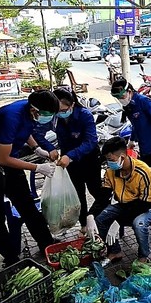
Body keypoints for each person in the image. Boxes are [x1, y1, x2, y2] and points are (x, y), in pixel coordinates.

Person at [0, 91, 59, 266]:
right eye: (47, 115)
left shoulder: (28, 112)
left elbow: (24, 131)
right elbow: (1, 159)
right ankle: (10, 256)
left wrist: (36, 148)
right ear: (35, 110)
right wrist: (37, 167)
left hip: (9, 160)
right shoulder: (10, 117)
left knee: (26, 203)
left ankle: (46, 243)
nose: (48, 118)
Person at [84, 137, 151, 263]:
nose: (109, 164)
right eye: (107, 160)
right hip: (122, 204)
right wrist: (90, 215)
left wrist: (119, 220)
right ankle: (115, 251)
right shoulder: (111, 172)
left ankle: (143, 256)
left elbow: (145, 204)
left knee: (139, 225)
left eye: (111, 160)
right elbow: (103, 196)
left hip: (144, 207)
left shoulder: (143, 171)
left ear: (122, 157)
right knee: (99, 220)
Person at [50, 88, 105, 235]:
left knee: (96, 190)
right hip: (71, 162)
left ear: (72, 105)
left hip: (89, 159)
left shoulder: (84, 115)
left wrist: (71, 155)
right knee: (77, 194)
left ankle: (102, 217)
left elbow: (91, 141)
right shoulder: (57, 118)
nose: (60, 113)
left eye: (63, 109)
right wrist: (49, 150)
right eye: (57, 110)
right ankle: (84, 224)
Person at [110, 79, 151, 171]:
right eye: (118, 98)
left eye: (122, 96)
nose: (121, 100)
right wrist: (132, 140)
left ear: (129, 91)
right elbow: (136, 124)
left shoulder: (143, 101)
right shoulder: (128, 106)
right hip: (143, 147)